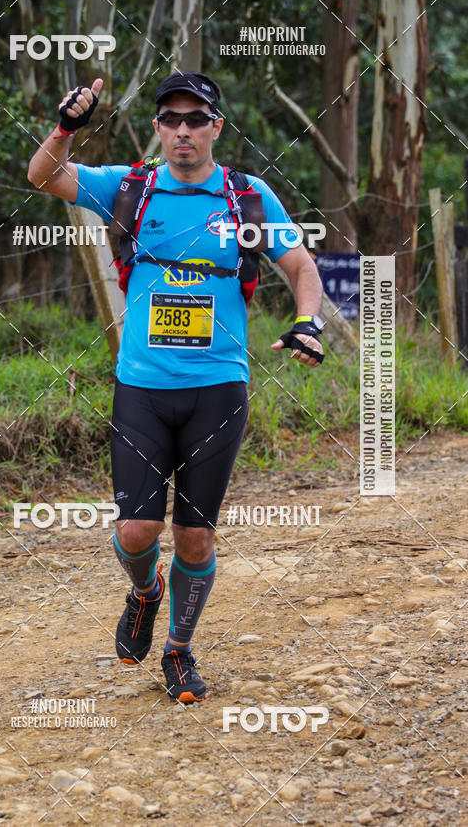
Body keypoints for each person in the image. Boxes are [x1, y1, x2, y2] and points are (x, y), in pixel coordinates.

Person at [28, 72, 325, 704]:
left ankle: (179, 650)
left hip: (219, 387)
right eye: (171, 119)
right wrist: (66, 129)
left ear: (217, 126)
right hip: (142, 386)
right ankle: (145, 591)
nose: (183, 130)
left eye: (196, 119)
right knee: (137, 532)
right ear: (158, 127)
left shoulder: (247, 197)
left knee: (195, 535)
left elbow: (300, 265)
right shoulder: (129, 187)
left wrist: (308, 321)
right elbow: (44, 176)